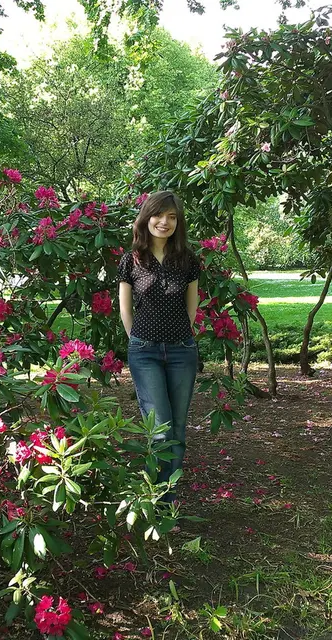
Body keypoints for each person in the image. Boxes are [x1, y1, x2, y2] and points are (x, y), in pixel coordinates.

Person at [117, 191, 200, 503]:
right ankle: (155, 498)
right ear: (146, 218)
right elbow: (125, 309)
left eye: (172, 217)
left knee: (177, 428)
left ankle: (167, 500)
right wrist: (137, 340)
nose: (164, 222)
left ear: (178, 223)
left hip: (181, 351)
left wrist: (179, 334)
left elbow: (191, 307)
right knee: (160, 429)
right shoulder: (131, 260)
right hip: (145, 352)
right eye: (158, 215)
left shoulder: (188, 260)